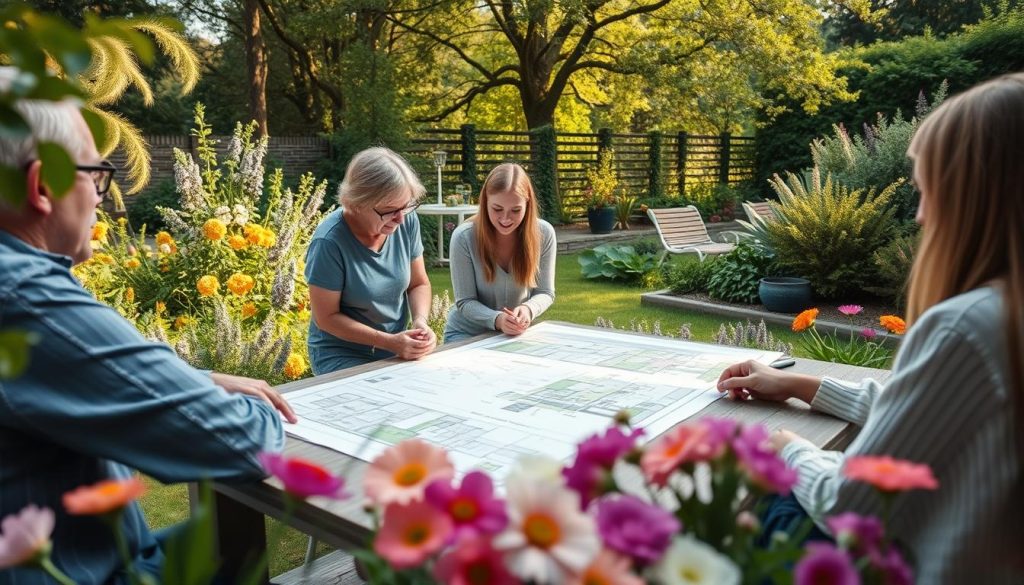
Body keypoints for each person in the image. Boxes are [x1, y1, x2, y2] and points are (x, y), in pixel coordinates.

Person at [716, 73, 1024, 583]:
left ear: (977, 201)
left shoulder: (969, 326)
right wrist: (802, 384)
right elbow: (931, 414)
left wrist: (788, 446)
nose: (921, 218)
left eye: (929, 193)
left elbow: (850, 506)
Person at [0, 70, 293, 584]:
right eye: (95, 177)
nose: (102, 199)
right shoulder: (23, 295)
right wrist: (246, 403)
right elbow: (239, 442)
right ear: (43, 185)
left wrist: (194, 379)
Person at [305, 147, 436, 374]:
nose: (400, 218)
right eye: (389, 210)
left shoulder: (405, 220)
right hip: (340, 355)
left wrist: (420, 322)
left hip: (395, 348)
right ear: (356, 203)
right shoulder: (329, 242)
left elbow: (418, 283)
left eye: (406, 206)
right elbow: (326, 318)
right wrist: (390, 342)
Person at [443, 163, 556, 342]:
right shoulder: (464, 237)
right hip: (466, 335)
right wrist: (497, 320)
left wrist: (528, 309)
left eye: (515, 210)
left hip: (514, 336)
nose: (505, 219)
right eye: (497, 209)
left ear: (528, 204)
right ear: (485, 201)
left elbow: (545, 292)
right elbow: (465, 302)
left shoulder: (544, 234)